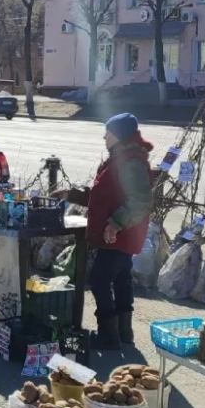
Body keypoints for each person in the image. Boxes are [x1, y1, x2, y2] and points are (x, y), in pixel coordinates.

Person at [56, 113, 153, 349]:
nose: (104, 137)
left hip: (121, 234)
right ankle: (123, 333)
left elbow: (140, 201)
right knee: (121, 278)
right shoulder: (119, 158)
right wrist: (73, 195)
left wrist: (116, 223)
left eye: (108, 133)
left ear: (118, 136)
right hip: (120, 234)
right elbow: (104, 196)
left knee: (99, 279)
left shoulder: (130, 162)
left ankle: (109, 336)